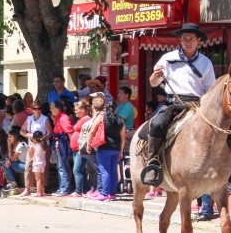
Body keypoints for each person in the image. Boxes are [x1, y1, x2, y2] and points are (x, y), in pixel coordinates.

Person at [142, 23, 216, 186]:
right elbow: (153, 83)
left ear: (198, 41)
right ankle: (153, 162)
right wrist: (155, 76)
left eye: (191, 39)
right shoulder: (168, 59)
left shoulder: (206, 63)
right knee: (157, 124)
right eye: (184, 39)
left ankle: (222, 165)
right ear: (180, 41)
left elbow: (210, 89)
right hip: (173, 102)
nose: (187, 42)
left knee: (221, 128)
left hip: (197, 104)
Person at [86, 97, 126, 201]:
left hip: (104, 147)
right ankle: (112, 193)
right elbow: (123, 137)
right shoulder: (120, 120)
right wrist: (121, 150)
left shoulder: (102, 117)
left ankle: (104, 193)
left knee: (105, 171)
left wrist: (88, 144)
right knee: (113, 170)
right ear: (116, 109)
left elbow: (92, 131)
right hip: (116, 148)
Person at [50, 100, 74, 196]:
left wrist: (72, 145)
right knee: (60, 166)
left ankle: (64, 188)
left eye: (52, 107)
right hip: (59, 142)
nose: (51, 109)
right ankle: (62, 187)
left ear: (57, 108)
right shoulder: (58, 117)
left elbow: (69, 132)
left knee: (62, 166)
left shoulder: (63, 118)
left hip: (62, 143)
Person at [70, 99, 91, 198]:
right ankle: (86, 190)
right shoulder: (80, 119)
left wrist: (81, 148)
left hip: (80, 149)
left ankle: (78, 191)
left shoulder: (86, 119)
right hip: (76, 149)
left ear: (83, 110)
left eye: (76, 110)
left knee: (77, 170)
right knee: (81, 170)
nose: (75, 112)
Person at [24, 131, 49, 197]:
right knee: (42, 177)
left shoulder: (34, 146)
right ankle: (43, 191)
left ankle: (38, 192)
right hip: (43, 162)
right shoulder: (44, 145)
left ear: (34, 139)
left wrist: (30, 149)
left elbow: (31, 155)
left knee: (38, 179)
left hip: (36, 163)